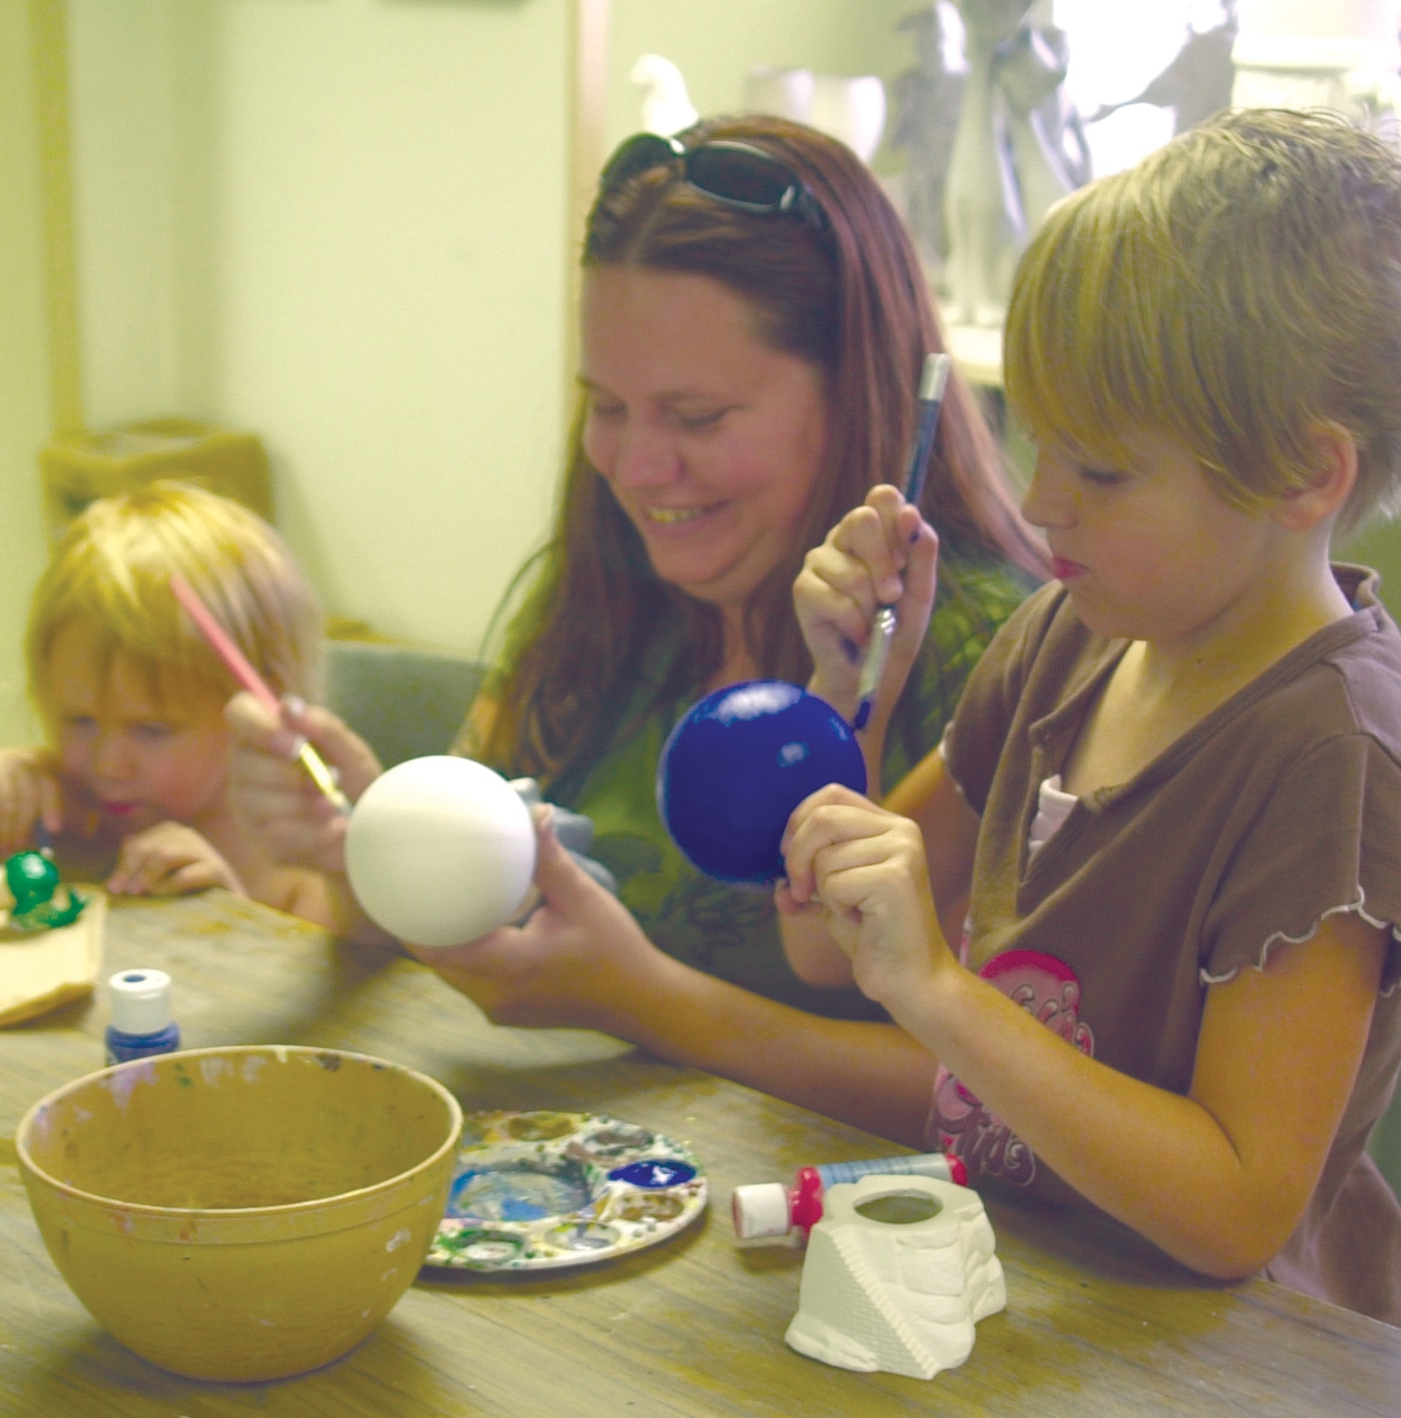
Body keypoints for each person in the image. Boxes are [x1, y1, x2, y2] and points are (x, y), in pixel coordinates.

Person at [779, 108, 1401, 1329]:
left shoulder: (1332, 754)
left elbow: (1234, 1212)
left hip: (1229, 1352)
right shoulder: (1078, 631)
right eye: (1039, 440)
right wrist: (843, 700)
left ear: (1301, 474)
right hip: (1033, 1296)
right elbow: (817, 949)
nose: (1041, 502)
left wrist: (947, 995)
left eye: (1101, 470)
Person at [228, 114, 1045, 1139]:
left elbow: (1008, 1098)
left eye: (696, 417)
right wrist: (366, 855)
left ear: (855, 389)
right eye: (604, 406)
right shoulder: (609, 599)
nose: (634, 467)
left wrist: (640, 999)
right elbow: (479, 936)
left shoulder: (1002, 668)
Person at [0, 481, 352, 927]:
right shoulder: (74, 798)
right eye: (80, 720)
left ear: (257, 714)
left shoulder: (299, 860)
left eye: (153, 730)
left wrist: (228, 912)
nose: (107, 762)